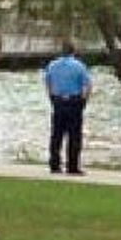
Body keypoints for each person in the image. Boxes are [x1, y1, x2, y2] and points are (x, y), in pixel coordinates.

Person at [44, 41, 92, 175]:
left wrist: (52, 97)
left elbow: (47, 82)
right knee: (74, 135)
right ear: (73, 51)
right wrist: (83, 102)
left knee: (56, 135)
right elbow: (87, 85)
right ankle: (72, 166)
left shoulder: (52, 65)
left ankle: (54, 164)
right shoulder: (79, 66)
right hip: (74, 101)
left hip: (58, 101)